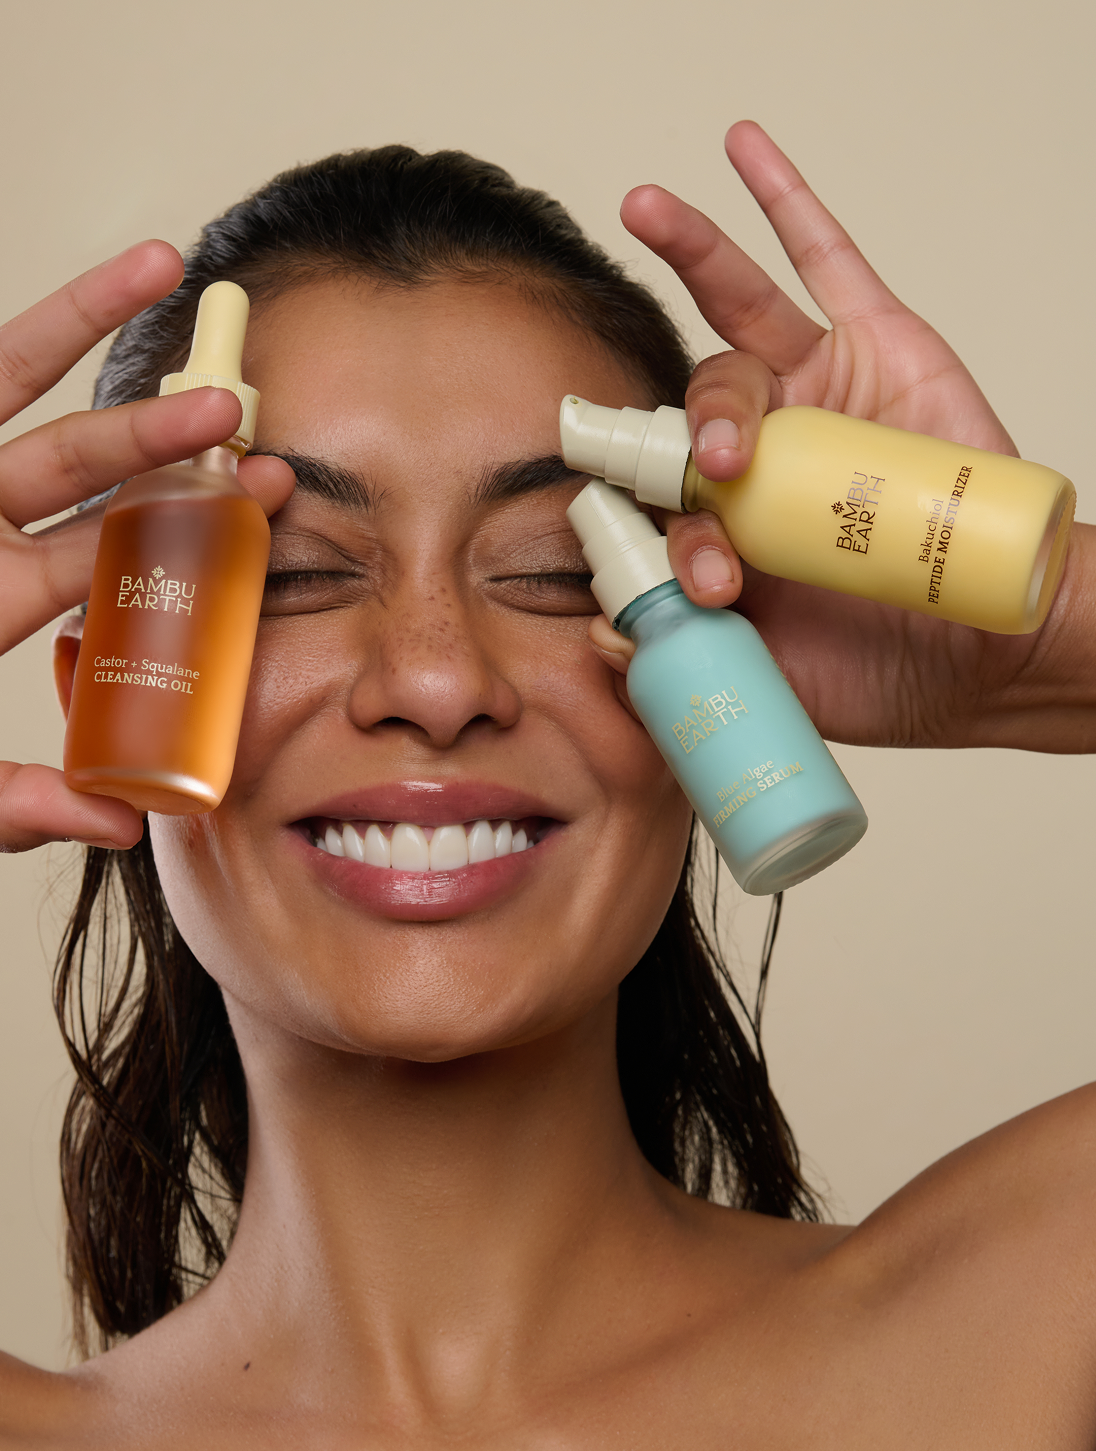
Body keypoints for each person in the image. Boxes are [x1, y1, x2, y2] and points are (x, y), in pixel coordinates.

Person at [1, 120, 1094, 1447]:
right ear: (110, 688)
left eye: (560, 567)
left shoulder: (1027, 1323)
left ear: (715, 684)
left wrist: (1037, 632)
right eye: (294, 572)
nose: (437, 677)